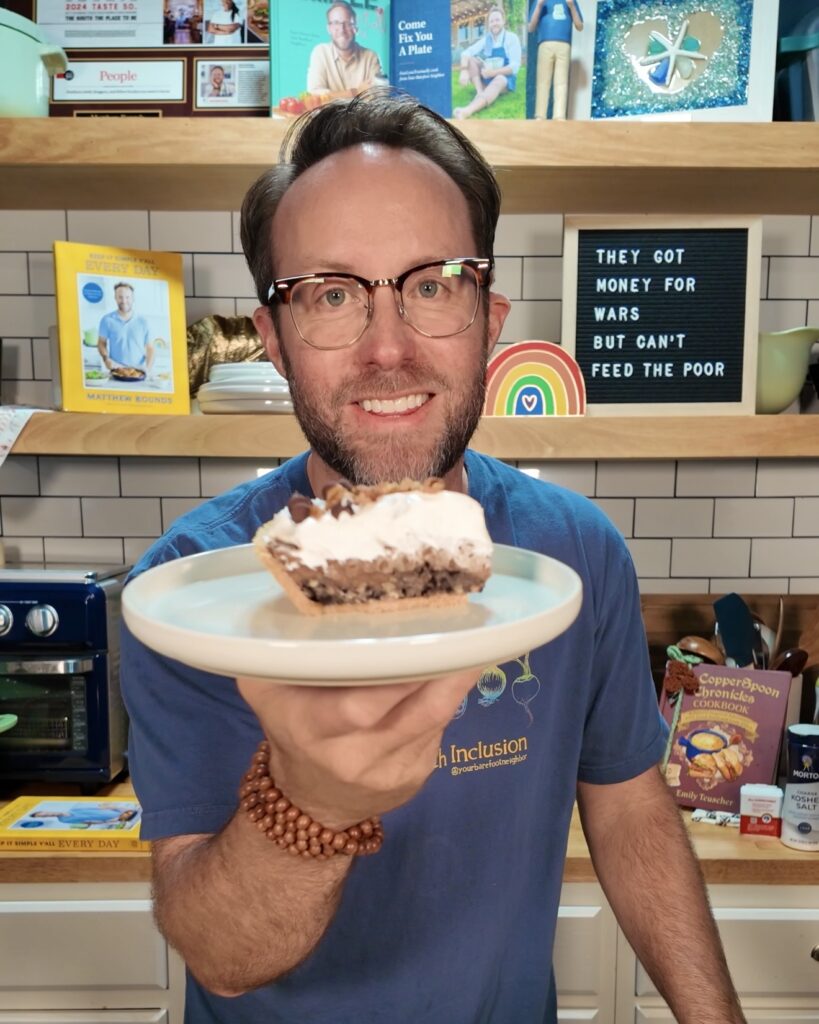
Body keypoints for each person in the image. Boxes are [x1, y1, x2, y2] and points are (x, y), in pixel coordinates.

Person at [120, 90, 747, 1023]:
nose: (387, 348)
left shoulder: (576, 554)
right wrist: (311, 805)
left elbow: (625, 806)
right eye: (330, 294)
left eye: (432, 283)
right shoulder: (193, 589)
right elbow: (222, 958)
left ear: (489, 319)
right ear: (276, 340)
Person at [454, 5, 523, 120]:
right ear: (488, 24)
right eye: (491, 21)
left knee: (499, 78)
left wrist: (493, 73)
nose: (494, 23)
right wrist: (464, 71)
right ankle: (480, 92)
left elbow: (515, 67)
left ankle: (467, 111)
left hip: (505, 79)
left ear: (503, 21)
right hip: (488, 77)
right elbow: (466, 52)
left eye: (497, 20)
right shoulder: (487, 40)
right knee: (471, 59)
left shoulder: (511, 38)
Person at [306, 1, 384, 96]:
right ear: (329, 28)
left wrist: (332, 96)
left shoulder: (370, 57)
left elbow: (377, 97)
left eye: (347, 23)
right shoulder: (320, 52)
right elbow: (316, 96)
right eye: (336, 23)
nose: (342, 29)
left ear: (355, 28)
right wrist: (356, 92)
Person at [528, 0, 584, 119]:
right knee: (543, 81)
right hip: (545, 44)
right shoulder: (540, 2)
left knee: (561, 82)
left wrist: (572, 6)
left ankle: (559, 116)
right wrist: (538, 5)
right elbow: (530, 27)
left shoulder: (570, 1)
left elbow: (579, 25)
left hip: (564, 45)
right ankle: (540, 115)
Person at [97, 282, 153, 373]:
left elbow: (150, 348)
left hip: (139, 371)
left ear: (133, 298)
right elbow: (101, 343)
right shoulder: (107, 320)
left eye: (127, 297)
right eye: (120, 297)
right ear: (115, 298)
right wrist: (106, 358)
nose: (124, 301)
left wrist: (148, 369)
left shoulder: (143, 321)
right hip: (116, 370)